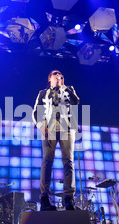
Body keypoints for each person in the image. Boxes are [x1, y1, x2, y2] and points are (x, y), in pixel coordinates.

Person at [32, 69, 80, 211]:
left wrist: (63, 86)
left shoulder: (68, 89)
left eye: (60, 74)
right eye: (55, 74)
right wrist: (41, 127)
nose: (58, 75)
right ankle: (45, 198)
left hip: (66, 128)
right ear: (49, 78)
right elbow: (36, 112)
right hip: (49, 129)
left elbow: (75, 102)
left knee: (68, 162)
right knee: (47, 162)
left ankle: (69, 199)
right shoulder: (43, 93)